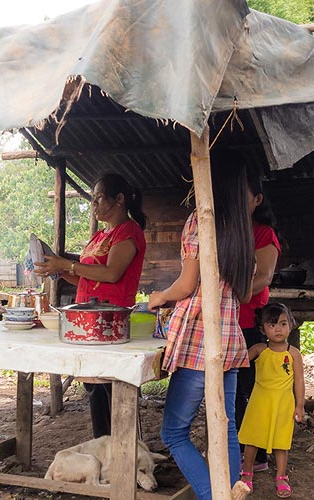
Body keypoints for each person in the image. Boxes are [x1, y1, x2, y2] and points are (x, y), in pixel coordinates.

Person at [148, 152, 255, 500]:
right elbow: (247, 290)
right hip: (230, 337)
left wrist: (158, 296)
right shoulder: (243, 228)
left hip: (199, 339)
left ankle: (214, 496)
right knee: (225, 430)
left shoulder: (201, 221)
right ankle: (227, 492)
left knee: (173, 432)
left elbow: (187, 284)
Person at [34, 172, 147, 438]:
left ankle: (127, 454)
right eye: (92, 199)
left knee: (113, 389)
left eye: (98, 198)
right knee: (95, 388)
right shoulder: (99, 236)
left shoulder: (128, 232)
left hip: (109, 321)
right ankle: (105, 447)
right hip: (87, 319)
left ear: (119, 199)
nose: (94, 205)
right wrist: (59, 271)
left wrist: (66, 264)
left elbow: (111, 274)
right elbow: (85, 275)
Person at [235, 170, 281, 472]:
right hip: (226, 321)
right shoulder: (227, 231)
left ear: (257, 199)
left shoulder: (264, 234)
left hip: (249, 322)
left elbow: (263, 277)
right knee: (233, 389)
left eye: (243, 195)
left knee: (249, 389)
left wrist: (227, 295)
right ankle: (239, 450)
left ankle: (258, 456)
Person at [238, 302, 305, 498]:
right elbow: (238, 361)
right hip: (259, 403)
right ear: (262, 328)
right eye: (272, 324)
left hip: (283, 404)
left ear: (291, 325)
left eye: (283, 324)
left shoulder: (293, 354)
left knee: (281, 442)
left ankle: (281, 477)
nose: (278, 329)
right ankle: (247, 473)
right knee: (252, 438)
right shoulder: (259, 349)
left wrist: (299, 405)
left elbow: (299, 380)